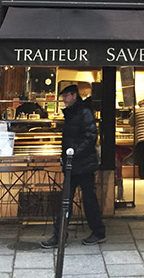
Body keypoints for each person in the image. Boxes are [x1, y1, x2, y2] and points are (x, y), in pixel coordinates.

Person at [41, 84, 105, 248]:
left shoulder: (84, 113)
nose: (63, 99)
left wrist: (73, 152)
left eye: (66, 96)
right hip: (73, 164)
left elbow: (91, 137)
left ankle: (97, 232)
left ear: (74, 96)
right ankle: (60, 235)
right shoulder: (72, 113)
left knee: (88, 199)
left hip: (83, 164)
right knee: (66, 200)